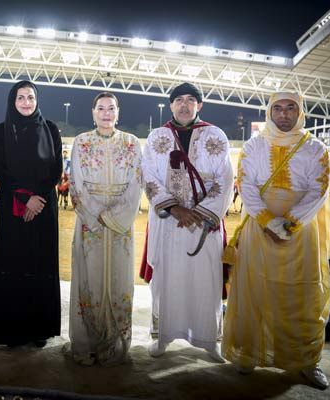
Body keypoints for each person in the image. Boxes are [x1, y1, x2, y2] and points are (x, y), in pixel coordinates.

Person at [222, 92, 330, 390]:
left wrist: (289, 223)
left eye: (290, 108)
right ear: (270, 112)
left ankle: (307, 362)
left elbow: (318, 189)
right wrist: (269, 222)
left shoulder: (315, 147)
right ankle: (248, 354)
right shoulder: (254, 145)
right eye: (278, 108)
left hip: (301, 231)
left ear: (301, 112)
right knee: (255, 288)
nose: (284, 114)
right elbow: (246, 186)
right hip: (261, 228)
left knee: (304, 293)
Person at [141, 82, 233, 362]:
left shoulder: (215, 134)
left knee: (206, 280)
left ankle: (209, 341)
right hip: (169, 222)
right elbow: (148, 176)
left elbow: (225, 179)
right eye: (178, 99)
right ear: (170, 105)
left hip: (204, 225)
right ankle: (163, 337)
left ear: (199, 105)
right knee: (169, 279)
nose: (184, 104)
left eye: (190, 100)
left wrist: (202, 212)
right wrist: (175, 209)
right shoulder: (157, 136)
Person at [68, 92, 142, 365]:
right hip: (91, 225)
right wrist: (97, 216)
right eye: (101, 108)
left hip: (121, 227)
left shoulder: (132, 143)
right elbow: (76, 183)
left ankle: (116, 344)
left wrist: (117, 218)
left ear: (118, 113)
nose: (106, 113)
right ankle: (87, 344)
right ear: (93, 112)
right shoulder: (82, 142)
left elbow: (136, 185)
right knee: (91, 279)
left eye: (111, 108)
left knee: (119, 280)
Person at [0, 80, 62, 347]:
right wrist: (25, 198)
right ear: (13, 101)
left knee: (39, 264)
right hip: (12, 209)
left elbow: (56, 169)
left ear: (37, 100)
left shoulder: (50, 129)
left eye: (30, 97)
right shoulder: (0, 132)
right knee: (14, 264)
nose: (26, 102)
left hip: (43, 208)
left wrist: (37, 199)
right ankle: (13, 332)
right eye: (20, 98)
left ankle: (39, 330)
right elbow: (1, 170)